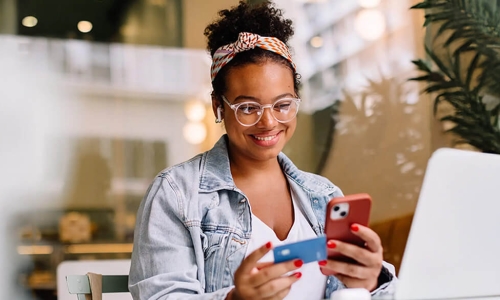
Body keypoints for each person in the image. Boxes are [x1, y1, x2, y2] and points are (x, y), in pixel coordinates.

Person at [129, 1, 397, 299]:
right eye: (247, 107)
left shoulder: (324, 195)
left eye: (282, 105)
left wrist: (372, 282)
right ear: (219, 107)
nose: (268, 122)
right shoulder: (177, 194)